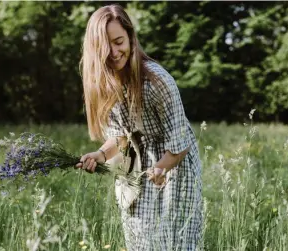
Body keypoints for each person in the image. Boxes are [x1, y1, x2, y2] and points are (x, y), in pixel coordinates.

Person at [75, 4, 203, 250]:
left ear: (131, 39)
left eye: (119, 41)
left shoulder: (157, 81)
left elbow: (180, 143)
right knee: (140, 240)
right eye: (105, 46)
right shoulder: (108, 86)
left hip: (173, 167)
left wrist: (160, 168)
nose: (114, 52)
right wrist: (100, 155)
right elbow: (121, 137)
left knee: (173, 241)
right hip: (137, 169)